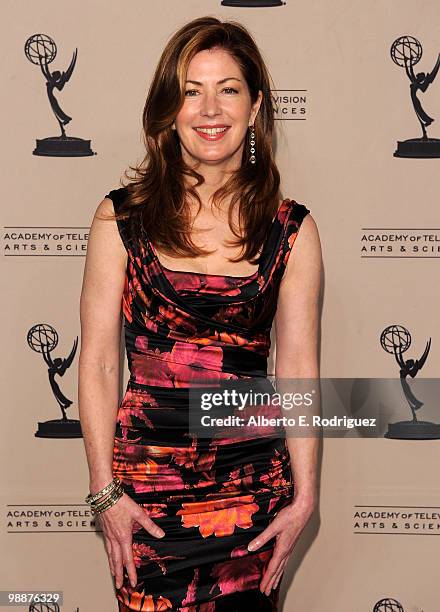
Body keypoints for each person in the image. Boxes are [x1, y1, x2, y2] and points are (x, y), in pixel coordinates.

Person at [78, 16, 322, 612]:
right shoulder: (121, 220)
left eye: (229, 89)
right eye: (192, 90)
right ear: (170, 107)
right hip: (147, 499)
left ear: (255, 105)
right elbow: (101, 363)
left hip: (252, 493)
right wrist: (104, 494)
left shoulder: (293, 230)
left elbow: (297, 370)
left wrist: (305, 498)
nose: (210, 108)